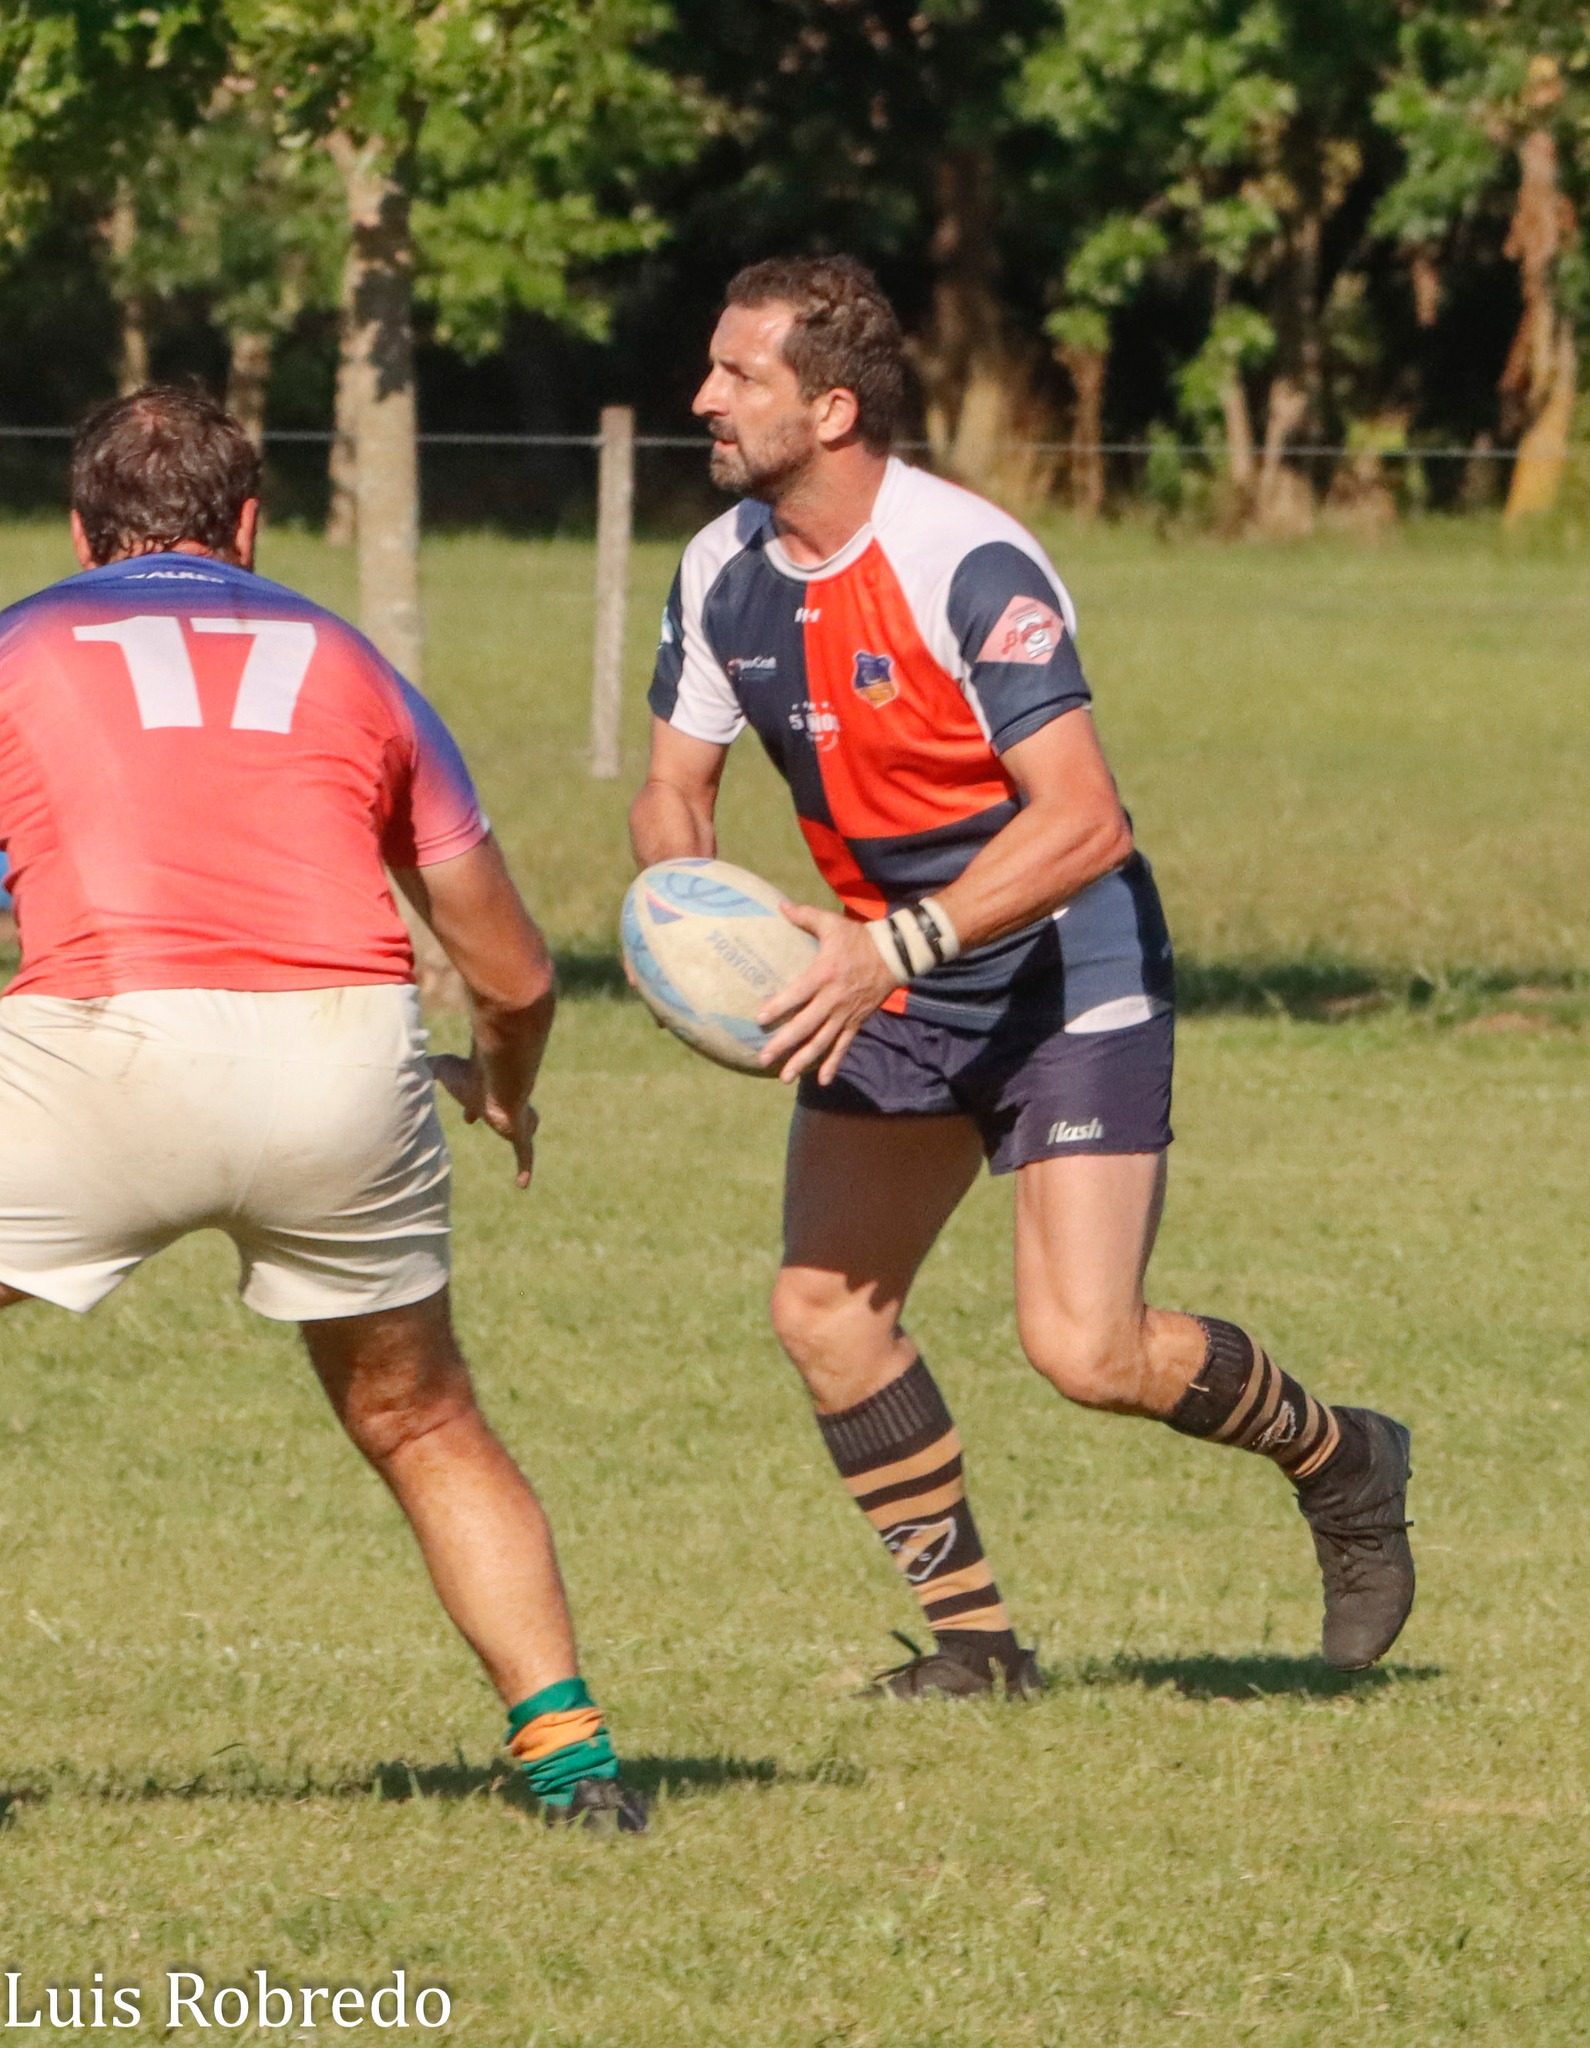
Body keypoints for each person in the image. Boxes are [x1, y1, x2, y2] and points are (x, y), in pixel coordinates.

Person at [630, 256, 1414, 1698]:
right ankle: (977, 1647)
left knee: (1085, 1348)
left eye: (738, 375)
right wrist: (700, 916)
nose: (705, 399)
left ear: (837, 406)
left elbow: (1082, 819)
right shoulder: (719, 567)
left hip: (1063, 964)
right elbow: (673, 786)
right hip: (887, 973)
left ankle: (1343, 1457)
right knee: (823, 1315)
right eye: (714, 370)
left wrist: (895, 946)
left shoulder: (963, 562)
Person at [0, 386, 645, 1828]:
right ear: (248, 526)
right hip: (343, 1064)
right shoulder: (352, 660)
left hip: (100, 1039)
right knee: (422, 1421)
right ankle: (576, 1765)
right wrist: (503, 1091)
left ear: (75, 532)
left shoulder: (20, 641)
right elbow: (516, 973)